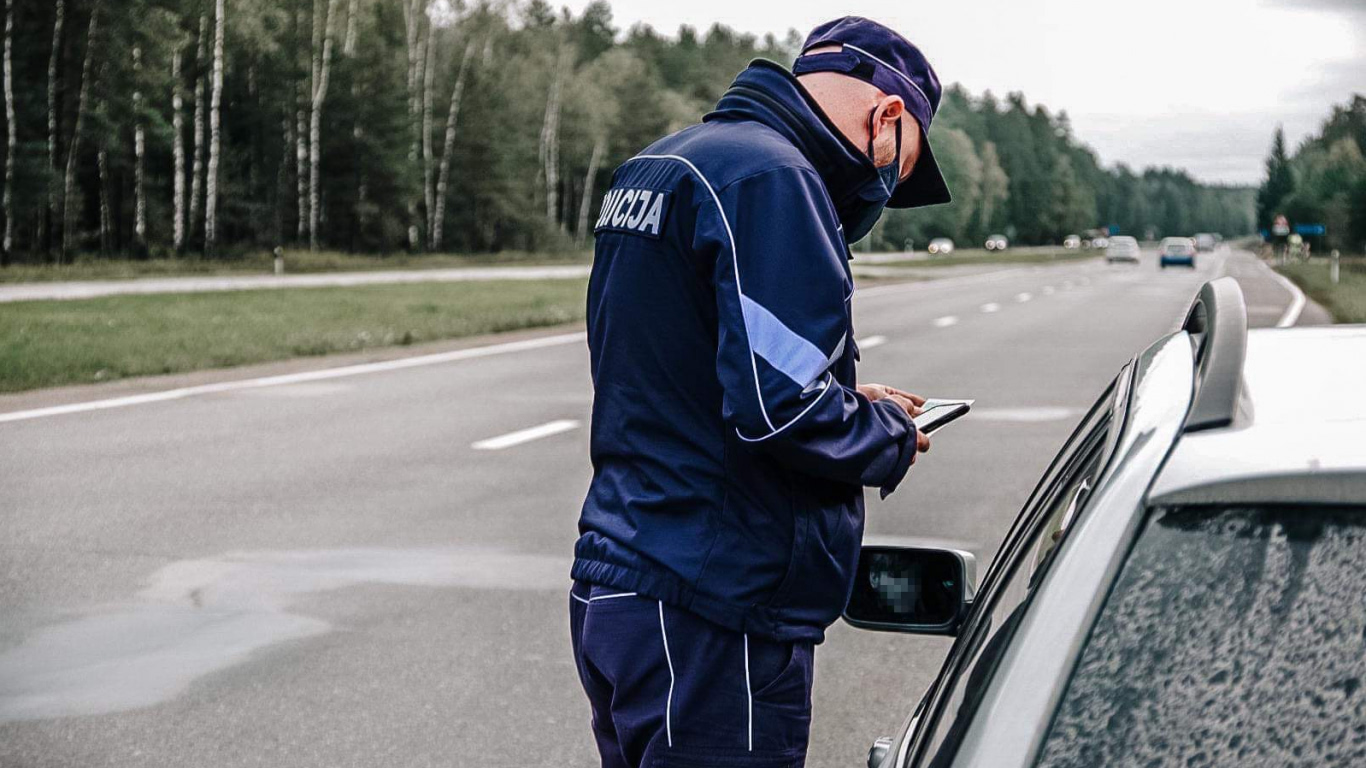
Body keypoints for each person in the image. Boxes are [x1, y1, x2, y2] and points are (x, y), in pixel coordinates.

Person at [569, 16, 951, 767]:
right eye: (902, 170)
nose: (885, 193)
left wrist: (845, 391)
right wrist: (890, 435)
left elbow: (676, 368)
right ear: (889, 118)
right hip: (714, 607)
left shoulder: (663, 164)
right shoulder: (776, 181)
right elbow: (788, 413)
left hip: (620, 581)